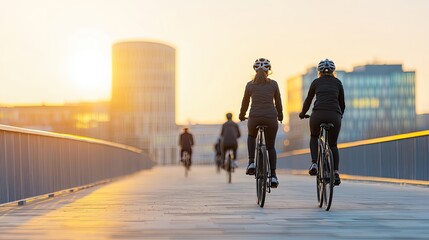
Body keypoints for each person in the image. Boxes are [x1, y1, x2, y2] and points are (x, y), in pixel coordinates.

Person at [299, 58, 345, 186]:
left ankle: (314, 163)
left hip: (318, 114)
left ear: (318, 71)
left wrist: (303, 114)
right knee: (333, 145)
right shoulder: (338, 83)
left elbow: (308, 100)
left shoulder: (316, 82)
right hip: (334, 115)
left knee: (314, 136)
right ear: (333, 71)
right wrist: (339, 115)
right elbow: (342, 103)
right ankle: (335, 172)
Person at [239, 58, 283, 188]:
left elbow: (245, 103)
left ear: (255, 70)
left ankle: (251, 162)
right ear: (269, 70)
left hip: (254, 118)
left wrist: (242, 115)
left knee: (252, 136)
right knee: (270, 147)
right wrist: (280, 116)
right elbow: (278, 103)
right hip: (271, 118)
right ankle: (273, 176)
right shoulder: (274, 84)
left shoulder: (249, 85)